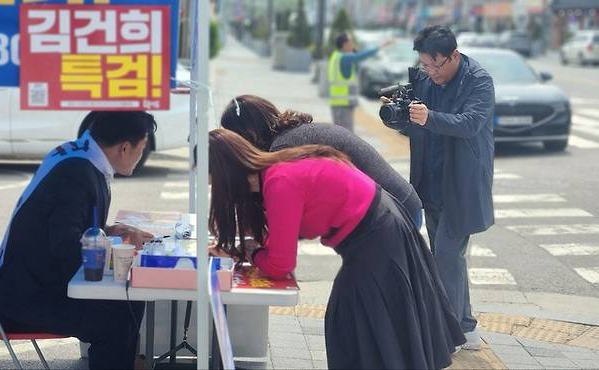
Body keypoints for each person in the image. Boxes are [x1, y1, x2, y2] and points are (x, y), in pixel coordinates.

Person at [207, 128, 465, 369]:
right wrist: (253, 247)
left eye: (211, 180)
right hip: (381, 228)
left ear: (224, 174)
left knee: (358, 322)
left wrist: (250, 252)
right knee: (370, 324)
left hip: (377, 237)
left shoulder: (279, 181)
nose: (212, 188)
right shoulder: (276, 171)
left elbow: (280, 265)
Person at [0, 111, 156, 369]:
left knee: (130, 301)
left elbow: (71, 229)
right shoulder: (77, 173)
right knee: (116, 321)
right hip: (24, 299)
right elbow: (66, 248)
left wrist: (112, 231)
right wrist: (117, 250)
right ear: (125, 147)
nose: (142, 155)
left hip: (35, 283)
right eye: (142, 148)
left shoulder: (78, 155)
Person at [382, 25, 495, 350]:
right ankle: (466, 326)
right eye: (425, 65)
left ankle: (451, 333)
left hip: (461, 184)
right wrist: (399, 114)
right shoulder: (424, 79)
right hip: (429, 182)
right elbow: (412, 126)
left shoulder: (479, 81)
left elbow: (471, 124)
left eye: (436, 65)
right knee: (447, 258)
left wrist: (428, 117)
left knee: (446, 254)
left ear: (454, 56)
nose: (430, 72)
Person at [220, 94, 423, 228]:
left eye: (236, 140)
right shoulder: (292, 136)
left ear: (250, 133)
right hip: (397, 206)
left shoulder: (284, 148)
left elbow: (286, 213)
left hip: (395, 213)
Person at [328, 32, 392, 131]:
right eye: (350, 42)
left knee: (339, 132)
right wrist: (381, 46)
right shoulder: (345, 58)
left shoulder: (336, 57)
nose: (352, 44)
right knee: (346, 134)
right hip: (343, 103)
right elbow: (361, 56)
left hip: (337, 103)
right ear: (345, 44)